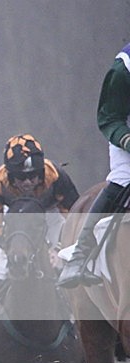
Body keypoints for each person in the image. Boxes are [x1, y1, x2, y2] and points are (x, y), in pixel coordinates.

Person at [0, 134, 79, 352]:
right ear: (10, 175)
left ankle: (80, 322)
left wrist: (59, 248)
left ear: (41, 171)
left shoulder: (56, 177)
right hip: (15, 219)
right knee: (0, 269)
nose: (28, 182)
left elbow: (74, 217)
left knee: (64, 265)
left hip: (50, 215)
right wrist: (10, 248)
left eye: (33, 176)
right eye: (21, 178)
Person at [58, 43, 130, 288]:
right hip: (125, 133)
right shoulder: (123, 68)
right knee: (123, 177)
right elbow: (109, 118)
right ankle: (79, 256)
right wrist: (126, 140)